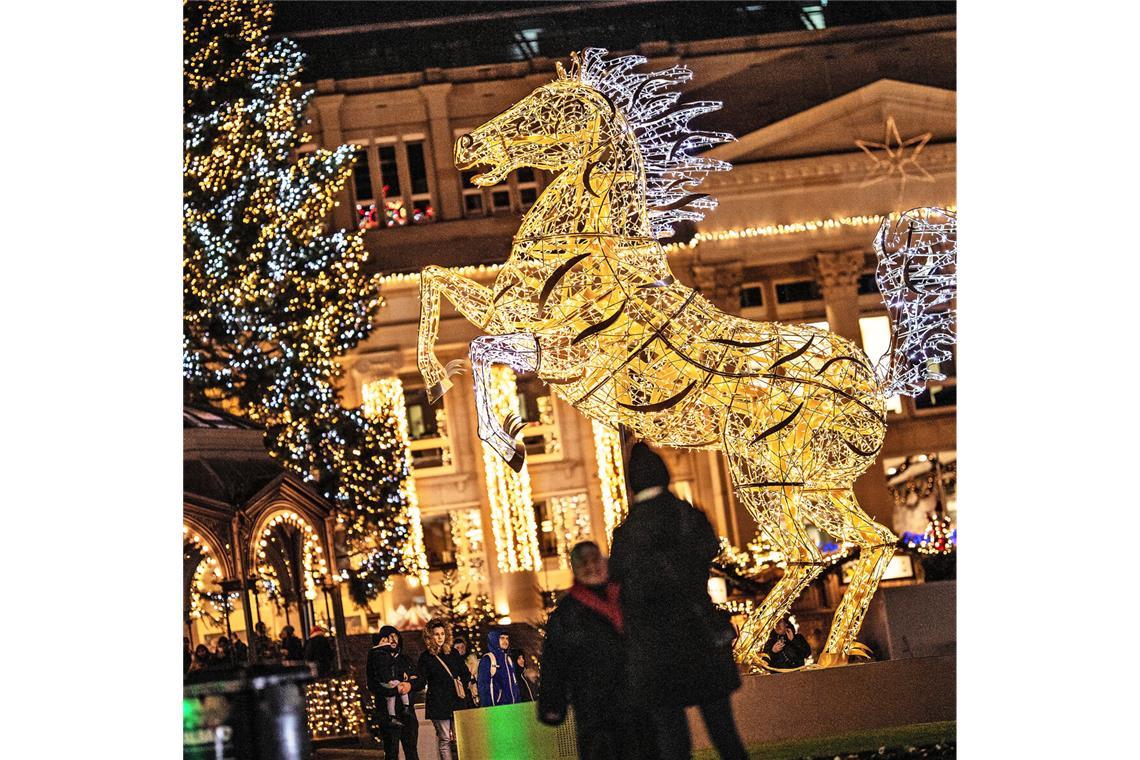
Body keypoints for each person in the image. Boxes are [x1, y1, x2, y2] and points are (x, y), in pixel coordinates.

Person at [609, 442, 748, 760]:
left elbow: (619, 588)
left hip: (655, 651)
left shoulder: (627, 535)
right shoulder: (687, 516)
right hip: (698, 637)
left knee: (673, 742)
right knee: (724, 734)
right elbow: (710, 548)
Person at [539, 541, 654, 760]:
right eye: (585, 564)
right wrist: (552, 703)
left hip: (636, 696)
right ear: (575, 569)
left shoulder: (627, 596)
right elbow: (554, 662)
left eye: (595, 561)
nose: (592, 568)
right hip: (595, 705)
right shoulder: (567, 614)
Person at [417, 618, 473, 760]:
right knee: (445, 740)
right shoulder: (426, 657)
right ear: (430, 636)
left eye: (442, 633)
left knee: (460, 739)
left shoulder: (453, 653)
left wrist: (462, 685)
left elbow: (465, 673)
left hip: (456, 701)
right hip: (438, 702)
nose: (440, 637)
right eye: (436, 634)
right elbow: (421, 679)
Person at [367, 626, 423, 760]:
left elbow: (419, 680)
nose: (392, 640)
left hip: (407, 714)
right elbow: (373, 685)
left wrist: (409, 685)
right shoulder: (375, 659)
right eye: (387, 637)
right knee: (391, 752)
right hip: (387, 715)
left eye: (394, 636)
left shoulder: (405, 660)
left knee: (411, 750)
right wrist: (393, 690)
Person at [476, 629, 521, 706]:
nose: (505, 641)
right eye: (502, 638)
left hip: (512, 708)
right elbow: (483, 687)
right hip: (497, 709)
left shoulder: (508, 659)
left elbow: (514, 684)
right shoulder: (488, 659)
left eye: (507, 638)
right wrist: (488, 709)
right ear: (494, 639)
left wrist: (517, 703)